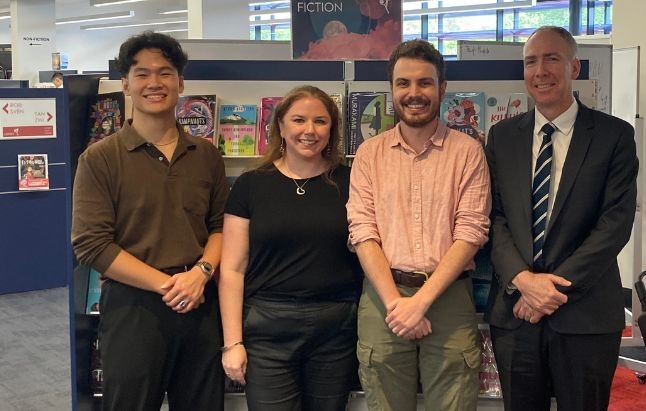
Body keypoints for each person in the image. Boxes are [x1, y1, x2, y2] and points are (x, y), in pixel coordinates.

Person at [71, 31, 228, 410]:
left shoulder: (206, 155)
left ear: (180, 81)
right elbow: (91, 244)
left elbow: (221, 226)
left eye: (165, 72)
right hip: (133, 308)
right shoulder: (100, 158)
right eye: (142, 74)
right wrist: (168, 286)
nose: (154, 83)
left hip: (200, 303)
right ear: (125, 83)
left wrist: (201, 273)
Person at [484, 26, 638, 411]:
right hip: (515, 314)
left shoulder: (613, 136)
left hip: (584, 316)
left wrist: (547, 293)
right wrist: (523, 281)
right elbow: (495, 218)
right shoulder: (502, 137)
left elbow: (613, 225)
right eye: (531, 61)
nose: (540, 71)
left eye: (551, 58)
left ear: (574, 66)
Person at [347, 39, 491, 411]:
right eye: (403, 83)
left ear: (442, 89)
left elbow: (471, 231)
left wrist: (421, 302)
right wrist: (398, 303)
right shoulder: (369, 154)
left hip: (448, 298)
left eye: (425, 83)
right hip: (383, 299)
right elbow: (363, 233)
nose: (414, 93)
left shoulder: (468, 151)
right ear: (392, 90)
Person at [219, 85, 362, 410]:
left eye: (320, 122)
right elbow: (231, 268)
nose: (309, 131)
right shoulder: (250, 184)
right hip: (268, 330)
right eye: (299, 120)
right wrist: (232, 343)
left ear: (332, 130)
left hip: (335, 330)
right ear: (280, 127)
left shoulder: (351, 182)